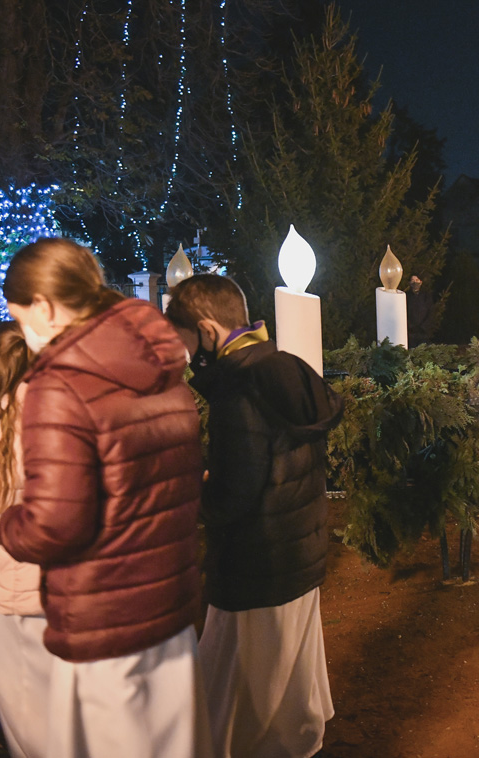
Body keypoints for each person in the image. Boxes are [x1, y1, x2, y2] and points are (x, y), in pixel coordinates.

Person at [0, 238, 212, 758]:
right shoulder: (160, 366)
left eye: (19, 316)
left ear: (44, 308)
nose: (23, 331)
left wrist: (9, 525)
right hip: (169, 598)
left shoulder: (61, 384)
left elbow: (56, 524)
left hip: (105, 611)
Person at [165, 274, 343, 758]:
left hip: (257, 560)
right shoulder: (284, 366)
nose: (184, 359)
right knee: (286, 672)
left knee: (236, 682)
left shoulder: (240, 388)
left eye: (184, 344)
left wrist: (196, 492)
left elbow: (233, 493)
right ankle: (297, 740)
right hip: (297, 550)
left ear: (205, 330)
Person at [0, 323, 50, 758]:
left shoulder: (7, 426)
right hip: (67, 586)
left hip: (22, 587)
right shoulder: (63, 410)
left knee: (27, 715)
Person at [406, 274, 434, 345]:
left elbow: (430, 311)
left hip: (424, 332)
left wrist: (424, 326)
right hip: (411, 332)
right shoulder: (406, 296)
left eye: (417, 280)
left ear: (421, 282)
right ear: (409, 283)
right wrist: (410, 326)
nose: (415, 282)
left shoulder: (426, 296)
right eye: (412, 280)